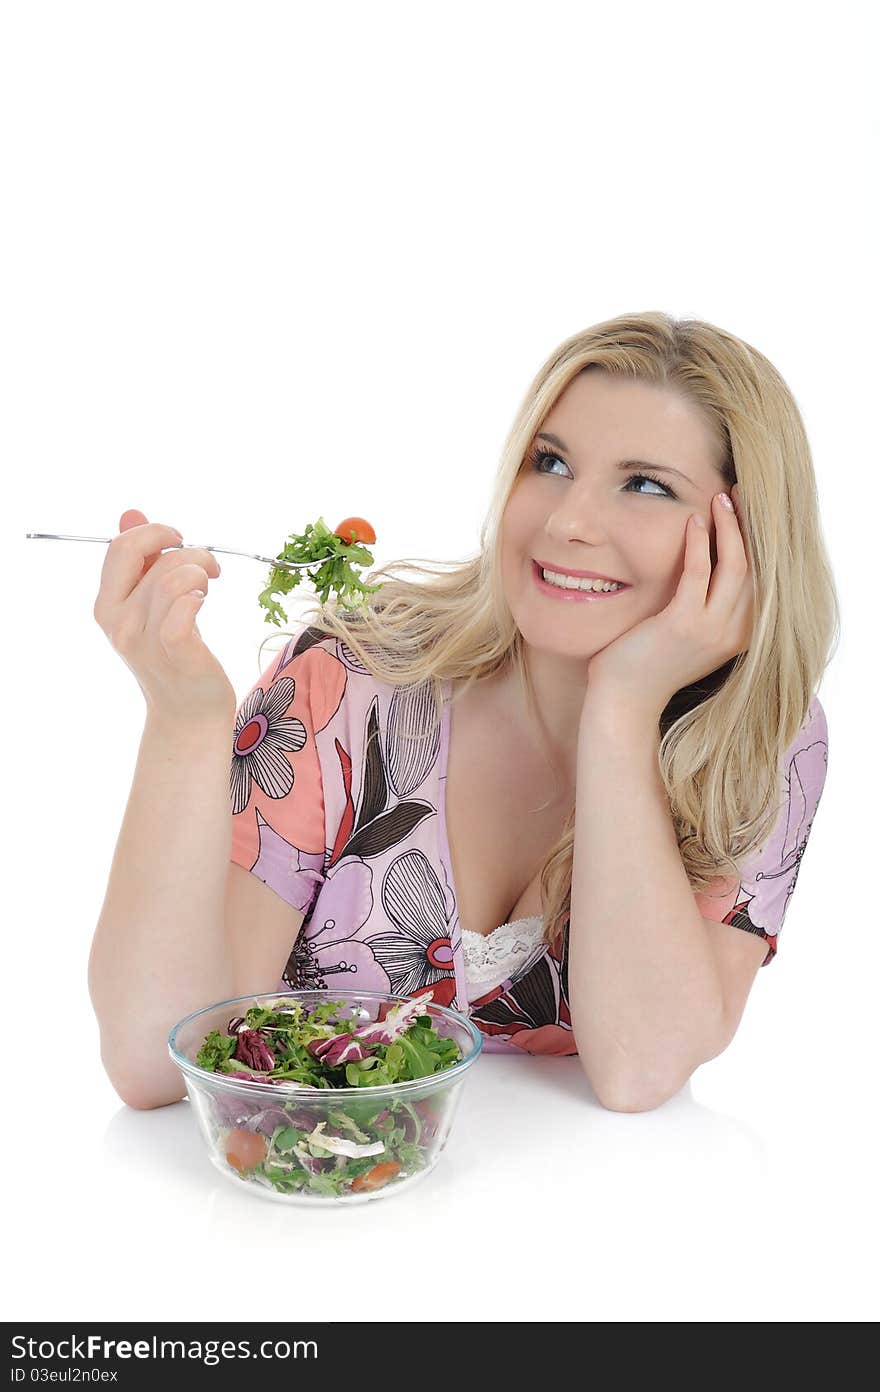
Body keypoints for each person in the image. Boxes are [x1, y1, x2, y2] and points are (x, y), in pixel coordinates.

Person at [88, 311, 837, 1113]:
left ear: (745, 539)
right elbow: (159, 1060)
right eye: (549, 463)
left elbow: (641, 1069)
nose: (566, 522)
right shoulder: (349, 683)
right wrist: (183, 721)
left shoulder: (764, 742)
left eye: (645, 484)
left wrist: (621, 709)